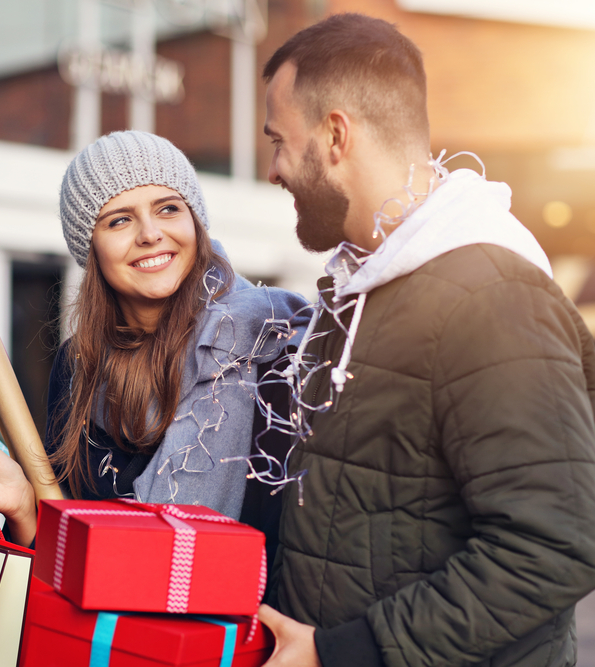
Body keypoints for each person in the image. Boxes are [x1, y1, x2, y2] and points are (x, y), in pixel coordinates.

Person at [255, 13, 595, 667]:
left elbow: (556, 543)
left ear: (334, 135)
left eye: (278, 140)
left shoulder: (491, 295)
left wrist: (341, 652)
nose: (273, 169)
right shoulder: (361, 286)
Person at [0, 130, 309, 548]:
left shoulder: (269, 345)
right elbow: (65, 557)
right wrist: (25, 505)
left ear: (195, 222)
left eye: (168, 208)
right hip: (108, 615)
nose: (150, 234)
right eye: (119, 219)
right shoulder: (79, 365)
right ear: (90, 247)